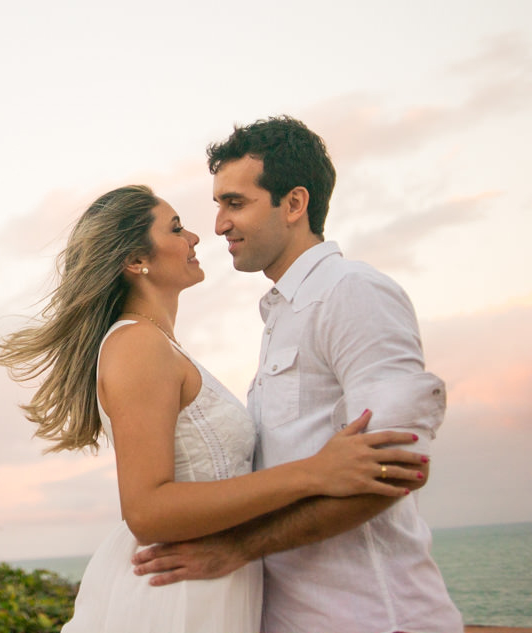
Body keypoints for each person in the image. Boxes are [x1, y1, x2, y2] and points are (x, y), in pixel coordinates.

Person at [0, 184, 427, 632]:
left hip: (208, 585)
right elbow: (146, 511)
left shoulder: (158, 345)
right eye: (176, 228)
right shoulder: (137, 345)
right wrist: (314, 472)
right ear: (136, 260)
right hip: (176, 599)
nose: (196, 237)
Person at [132, 116, 463, 633]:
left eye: (235, 203)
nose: (218, 225)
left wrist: (239, 547)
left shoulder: (351, 292)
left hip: (374, 618)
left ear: (293, 204)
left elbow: (396, 465)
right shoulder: (283, 314)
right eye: (219, 204)